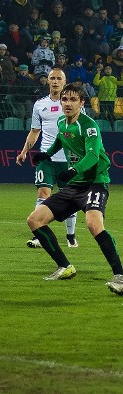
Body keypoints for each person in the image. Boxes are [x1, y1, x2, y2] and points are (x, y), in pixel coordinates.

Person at [25, 84, 123, 294]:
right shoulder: (62, 122)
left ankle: (120, 276)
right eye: (64, 99)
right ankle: (65, 266)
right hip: (75, 185)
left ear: (81, 103)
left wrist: (73, 171)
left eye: (72, 100)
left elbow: (93, 156)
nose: (67, 104)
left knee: (93, 223)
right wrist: (48, 154)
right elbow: (62, 139)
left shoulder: (88, 126)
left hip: (95, 183)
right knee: (34, 220)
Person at [16, 67, 78, 248]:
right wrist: (24, 151)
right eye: (53, 78)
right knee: (43, 193)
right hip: (46, 159)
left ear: (64, 82)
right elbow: (35, 131)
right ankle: (39, 235)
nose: (56, 81)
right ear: (48, 81)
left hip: (68, 159)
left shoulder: (72, 104)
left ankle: (71, 235)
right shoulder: (40, 105)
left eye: (59, 78)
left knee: (70, 198)